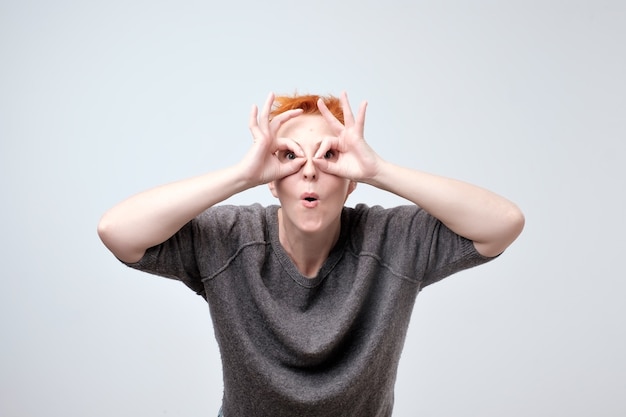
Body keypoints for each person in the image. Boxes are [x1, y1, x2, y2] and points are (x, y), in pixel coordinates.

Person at [98, 91, 525, 417]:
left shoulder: (390, 238)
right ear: (271, 177)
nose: (308, 170)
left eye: (330, 155)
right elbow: (118, 231)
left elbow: (502, 223)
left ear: (351, 177)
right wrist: (240, 176)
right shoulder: (231, 238)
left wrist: (380, 171)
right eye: (287, 156)